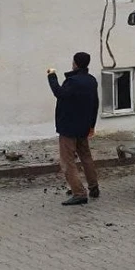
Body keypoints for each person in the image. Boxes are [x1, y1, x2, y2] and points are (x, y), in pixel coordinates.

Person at [48, 52, 100, 206]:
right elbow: (95, 103)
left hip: (68, 127)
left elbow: (59, 93)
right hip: (83, 126)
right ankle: (94, 187)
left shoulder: (72, 82)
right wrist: (92, 125)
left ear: (75, 63)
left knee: (67, 161)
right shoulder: (91, 81)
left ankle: (79, 193)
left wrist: (52, 77)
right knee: (86, 157)